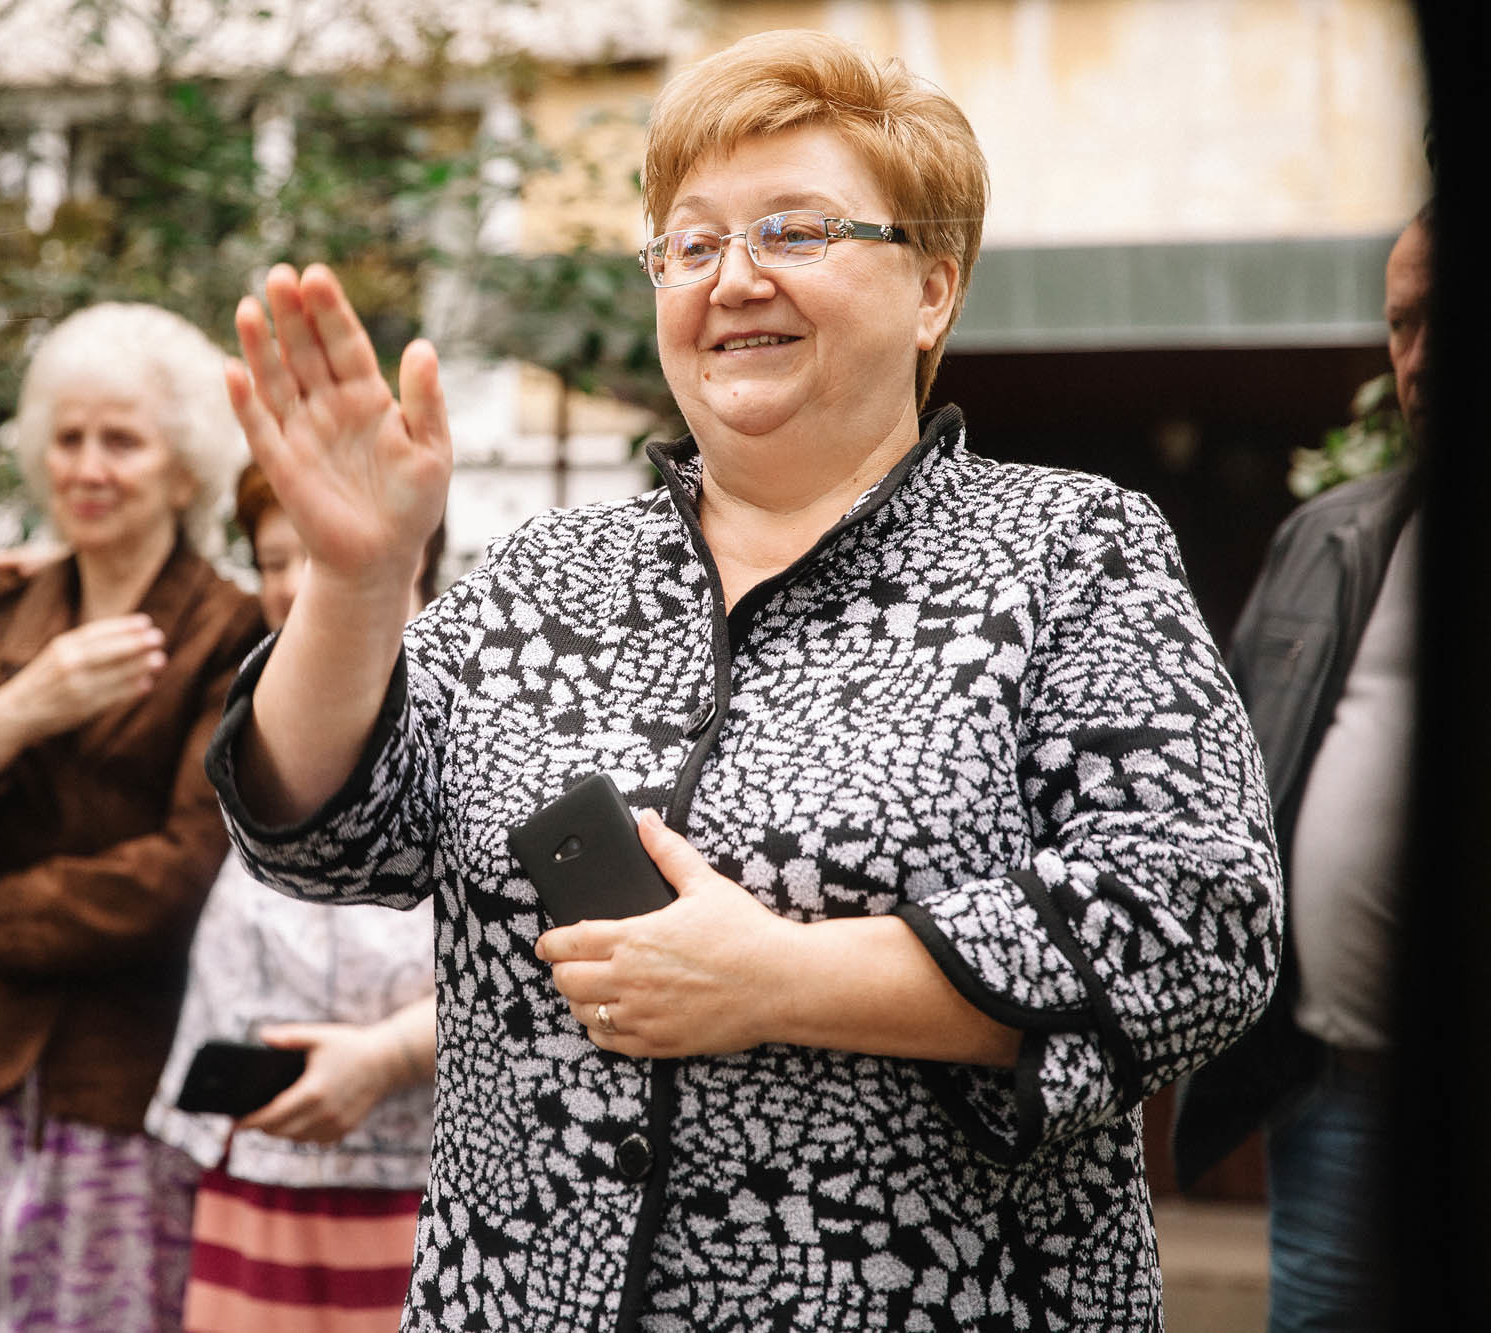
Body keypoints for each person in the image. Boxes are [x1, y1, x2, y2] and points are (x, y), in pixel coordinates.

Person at [200, 29, 1280, 1332]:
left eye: (797, 231)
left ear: (934, 288)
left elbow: (1199, 918)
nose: (734, 278)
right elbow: (321, 835)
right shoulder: (544, 575)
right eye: (693, 242)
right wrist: (357, 581)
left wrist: (781, 977)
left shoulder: (1070, 554)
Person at [0, 302, 265, 1333]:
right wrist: (8, 718)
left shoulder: (229, 630)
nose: (87, 465)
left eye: (121, 439)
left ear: (183, 468)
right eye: (67, 438)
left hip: (123, 1079)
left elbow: (182, 876)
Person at [1172, 209, 1429, 1331]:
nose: (1416, 362)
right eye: (1401, 327)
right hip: (1330, 1091)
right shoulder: (1329, 536)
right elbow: (1233, 774)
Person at [145, 461, 443, 1333]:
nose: (295, 584)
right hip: (254, 1182)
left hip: (414, 1188)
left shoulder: (478, 702)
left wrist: (387, 1053)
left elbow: (538, 953)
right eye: (276, 560)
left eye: (318, 555)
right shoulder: (253, 695)